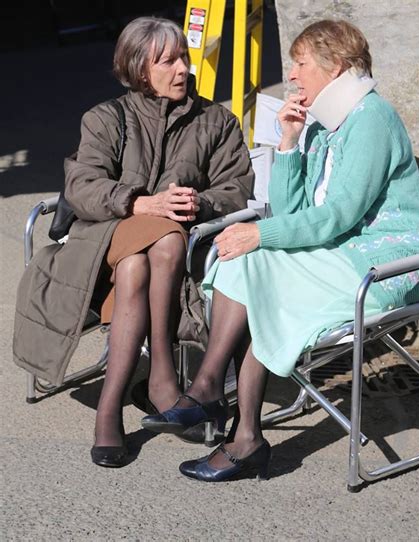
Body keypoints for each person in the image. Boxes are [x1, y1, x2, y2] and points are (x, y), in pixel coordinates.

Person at [141, 19, 419, 482]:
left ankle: (221, 408)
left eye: (300, 64)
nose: (292, 75)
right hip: (341, 255)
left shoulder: (372, 119)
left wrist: (262, 235)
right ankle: (231, 416)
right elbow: (288, 210)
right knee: (245, 262)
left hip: (385, 264)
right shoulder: (324, 123)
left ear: (336, 66)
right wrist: (289, 143)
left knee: (257, 262)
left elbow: (340, 214)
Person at [12, 17, 253, 468]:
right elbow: (81, 185)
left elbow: (236, 187)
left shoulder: (216, 121)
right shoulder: (107, 118)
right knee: (153, 244)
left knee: (145, 259)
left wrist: (196, 203)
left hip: (164, 256)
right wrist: (140, 203)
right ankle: (161, 378)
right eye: (169, 61)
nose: (183, 68)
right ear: (141, 69)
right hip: (99, 246)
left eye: (184, 56)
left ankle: (110, 407)